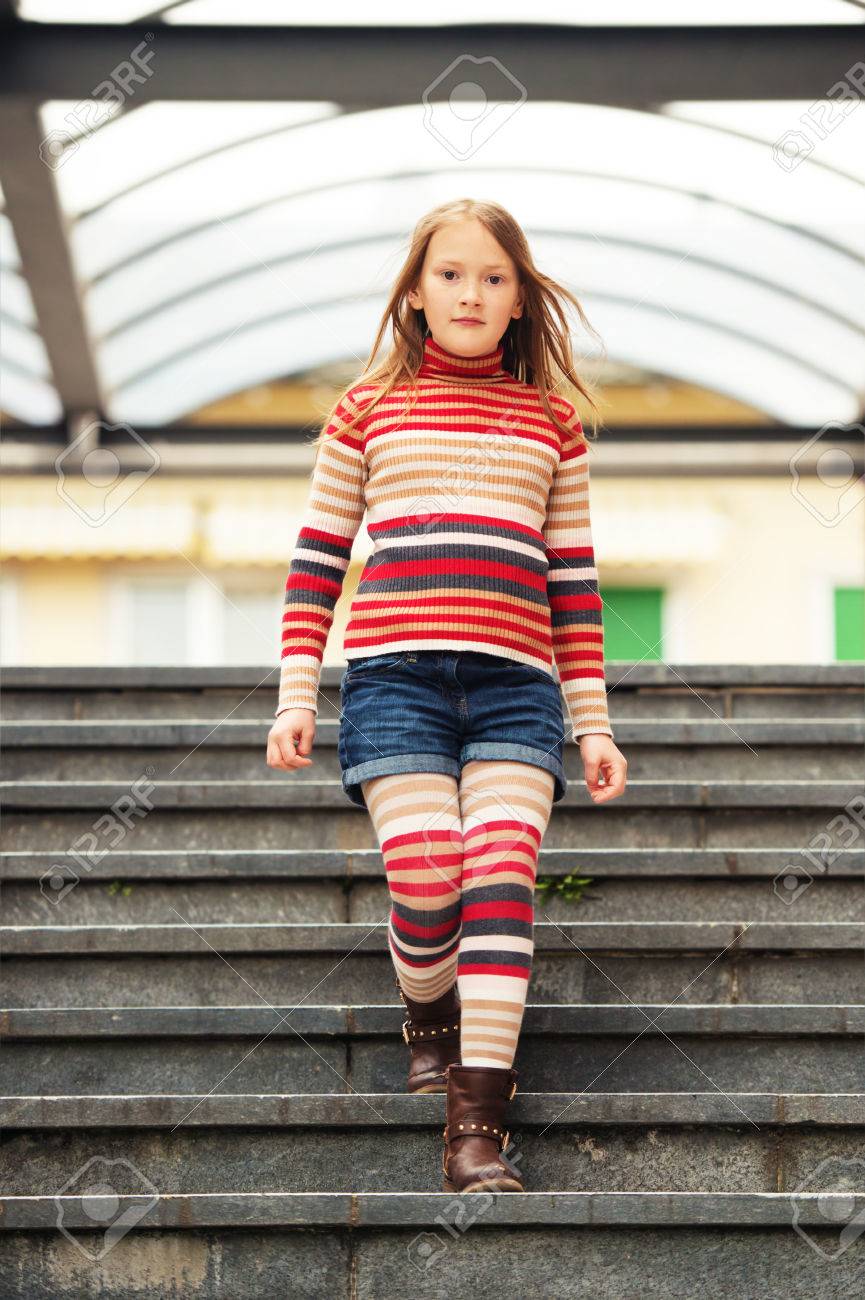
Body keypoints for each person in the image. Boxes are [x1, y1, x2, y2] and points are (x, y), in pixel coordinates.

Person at [267, 197, 628, 1194]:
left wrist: (591, 720)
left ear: (520, 300)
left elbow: (573, 584)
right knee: (430, 881)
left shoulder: (554, 422)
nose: (472, 292)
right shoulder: (366, 409)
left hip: (518, 693)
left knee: (501, 873)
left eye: (494, 277)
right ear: (417, 295)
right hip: (396, 685)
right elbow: (316, 562)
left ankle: (475, 1127)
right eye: (451, 274)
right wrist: (299, 692)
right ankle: (425, 1007)